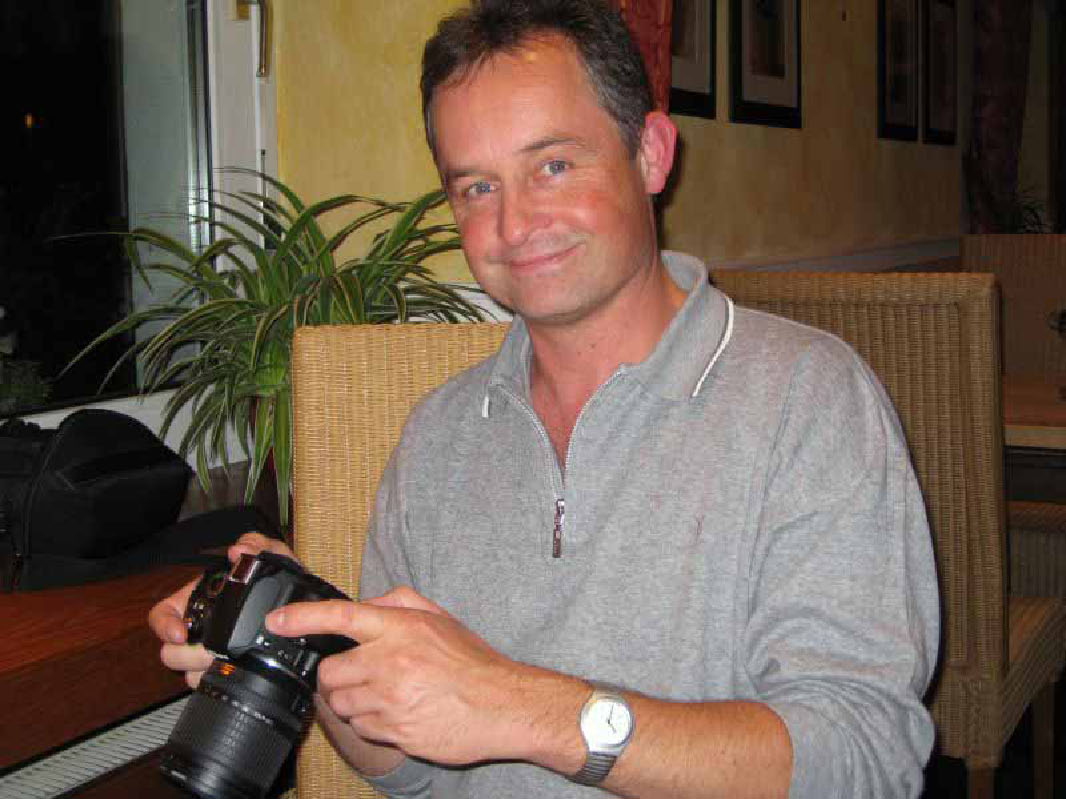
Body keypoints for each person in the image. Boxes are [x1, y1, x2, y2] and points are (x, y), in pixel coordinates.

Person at [150, 1, 940, 796]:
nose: (515, 223)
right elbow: (408, 773)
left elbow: (864, 758)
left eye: (554, 166)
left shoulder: (810, 400)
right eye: (476, 186)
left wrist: (522, 707)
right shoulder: (437, 434)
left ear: (651, 154)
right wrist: (312, 646)